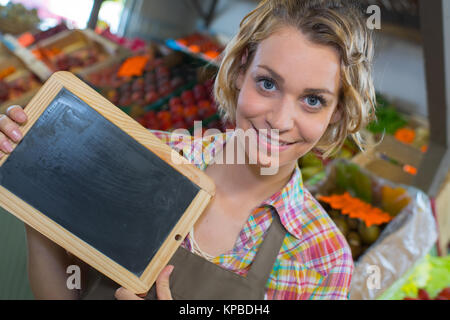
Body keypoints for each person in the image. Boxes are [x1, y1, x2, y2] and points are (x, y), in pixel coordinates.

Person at [1, 0, 376, 300]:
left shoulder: (322, 259)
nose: (280, 120)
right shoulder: (150, 156)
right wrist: (37, 190)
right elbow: (70, 288)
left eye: (313, 100)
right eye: (267, 83)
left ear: (337, 112)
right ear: (240, 72)